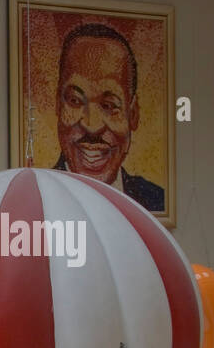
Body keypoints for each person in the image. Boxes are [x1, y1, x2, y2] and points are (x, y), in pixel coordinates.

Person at [51, 22, 164, 212]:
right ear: (58, 105)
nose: (92, 126)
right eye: (76, 101)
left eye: (109, 105)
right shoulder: (35, 203)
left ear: (133, 114)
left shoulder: (155, 200)